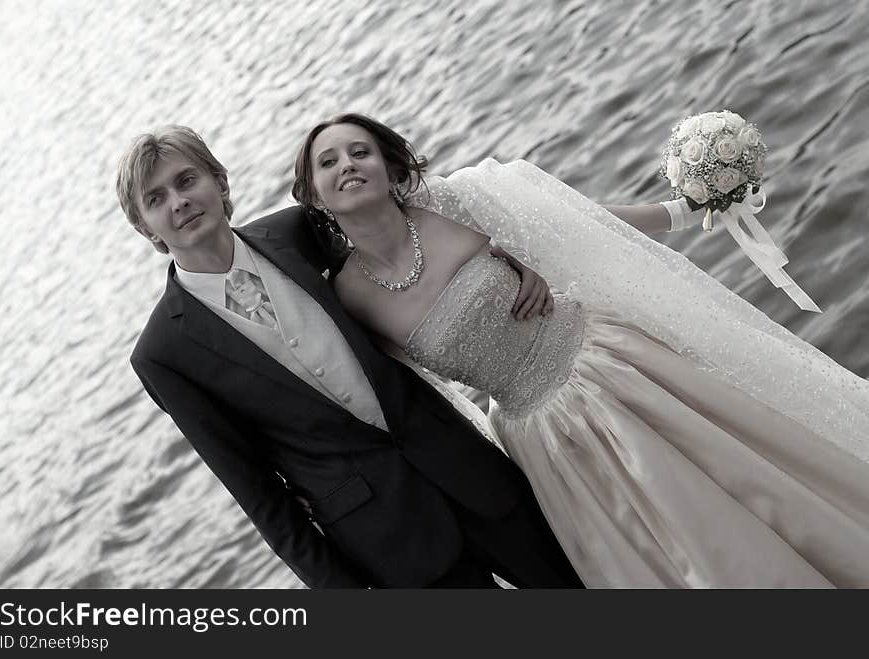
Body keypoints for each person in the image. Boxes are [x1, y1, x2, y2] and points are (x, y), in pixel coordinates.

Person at [291, 113, 869, 588]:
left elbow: (577, 225)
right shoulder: (349, 300)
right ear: (313, 196)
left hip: (615, 370)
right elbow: (419, 401)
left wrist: (685, 212)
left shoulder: (451, 203)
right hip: (547, 443)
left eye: (359, 151)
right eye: (329, 161)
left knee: (752, 484)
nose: (347, 164)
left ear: (390, 167)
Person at [116, 125, 584, 589]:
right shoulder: (163, 353)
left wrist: (508, 256)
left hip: (469, 470)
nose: (178, 201)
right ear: (144, 228)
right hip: (388, 544)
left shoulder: (297, 231)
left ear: (219, 182)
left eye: (186, 180)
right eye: (155, 199)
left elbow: (409, 240)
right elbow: (257, 493)